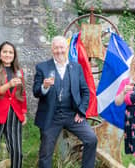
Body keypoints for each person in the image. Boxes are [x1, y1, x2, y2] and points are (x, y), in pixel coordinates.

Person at [33, 35, 97, 168]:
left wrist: (81, 111)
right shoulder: (42, 67)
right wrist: (44, 86)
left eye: (62, 47)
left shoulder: (76, 67)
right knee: (45, 152)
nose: (59, 51)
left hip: (72, 114)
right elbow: (36, 92)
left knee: (91, 139)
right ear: (52, 49)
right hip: (51, 116)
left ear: (67, 48)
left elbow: (86, 91)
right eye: (56, 48)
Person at [0, 41, 27, 168]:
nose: (8, 54)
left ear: (14, 55)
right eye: (5, 51)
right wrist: (8, 85)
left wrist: (24, 112)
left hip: (14, 114)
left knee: (17, 152)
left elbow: (22, 93)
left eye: (11, 52)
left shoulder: (18, 71)